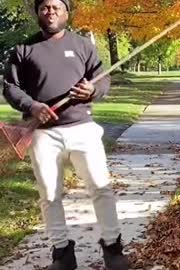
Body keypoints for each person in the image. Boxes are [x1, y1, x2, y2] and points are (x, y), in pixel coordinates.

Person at [2, 0, 129, 269]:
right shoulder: (24, 49)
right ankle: (62, 253)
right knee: (49, 194)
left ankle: (113, 247)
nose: (50, 12)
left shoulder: (83, 45)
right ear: (37, 12)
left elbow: (102, 78)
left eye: (56, 7)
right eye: (45, 7)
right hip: (43, 135)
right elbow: (11, 88)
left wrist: (92, 91)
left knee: (101, 187)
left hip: (83, 129)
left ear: (66, 12)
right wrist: (32, 106)